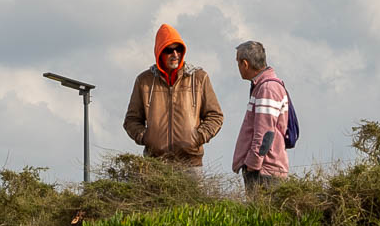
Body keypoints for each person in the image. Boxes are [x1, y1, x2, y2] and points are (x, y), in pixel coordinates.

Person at [123, 23, 224, 166]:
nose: (175, 54)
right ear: (159, 53)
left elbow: (215, 115)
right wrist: (146, 137)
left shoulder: (199, 78)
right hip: (155, 164)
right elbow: (131, 119)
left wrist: (198, 137)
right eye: (169, 50)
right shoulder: (144, 81)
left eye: (179, 49)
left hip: (191, 163)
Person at [230, 40, 290, 194]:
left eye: (238, 63)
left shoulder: (267, 88)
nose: (238, 67)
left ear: (245, 64)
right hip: (266, 170)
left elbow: (264, 134)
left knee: (263, 216)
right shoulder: (264, 86)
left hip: (264, 172)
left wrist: (252, 165)